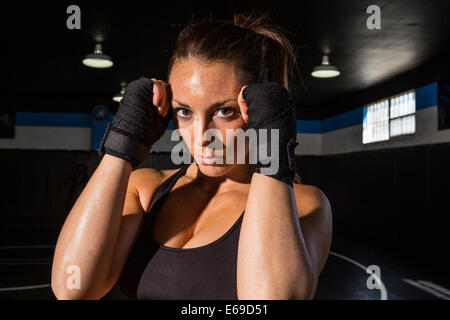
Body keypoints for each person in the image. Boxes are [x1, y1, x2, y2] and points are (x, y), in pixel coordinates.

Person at [51, 12, 332, 300]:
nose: (202, 137)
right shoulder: (145, 189)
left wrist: (272, 147)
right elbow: (73, 288)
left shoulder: (304, 206)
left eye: (225, 111)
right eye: (184, 111)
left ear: (259, 108)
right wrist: (122, 144)